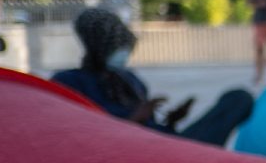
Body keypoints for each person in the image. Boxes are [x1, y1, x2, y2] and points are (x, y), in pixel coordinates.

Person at [52, 8, 254, 146]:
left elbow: (153, 128)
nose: (123, 54)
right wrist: (133, 120)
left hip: (169, 143)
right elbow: (87, 142)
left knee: (239, 98)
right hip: (139, 156)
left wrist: (172, 120)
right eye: (116, 47)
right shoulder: (71, 83)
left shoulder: (129, 79)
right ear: (98, 45)